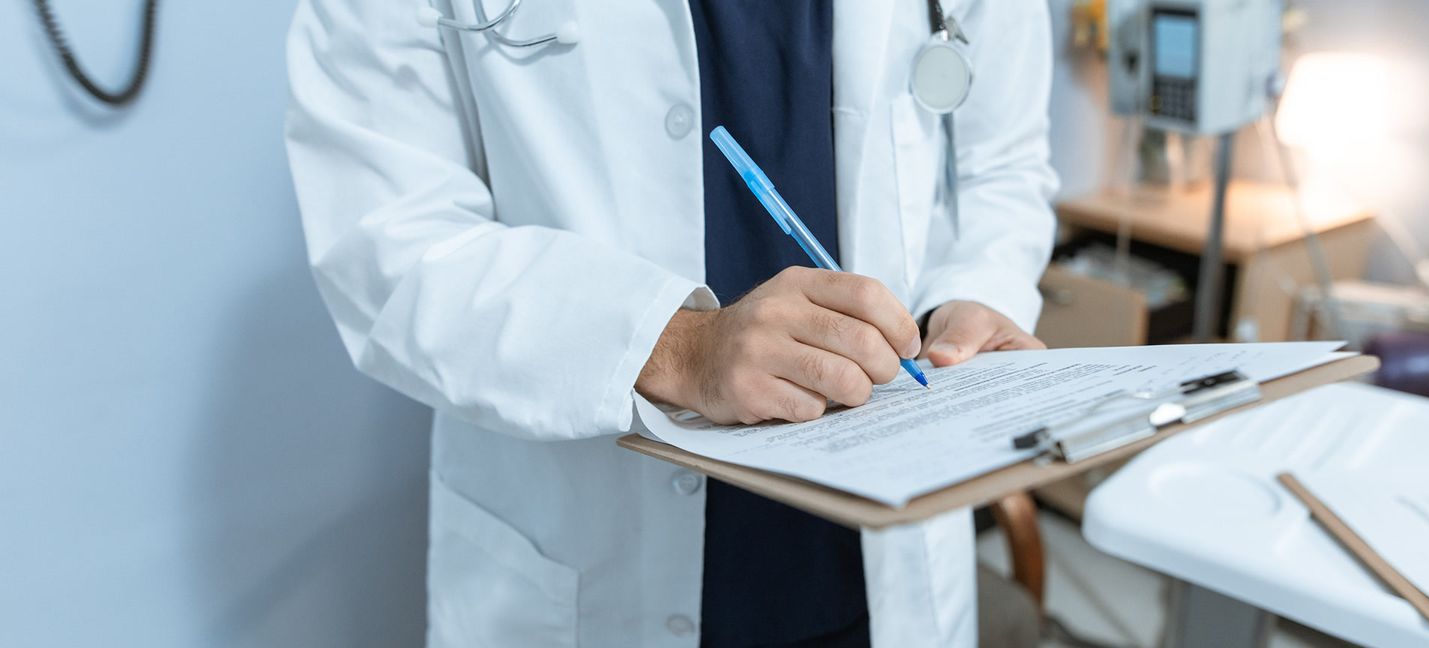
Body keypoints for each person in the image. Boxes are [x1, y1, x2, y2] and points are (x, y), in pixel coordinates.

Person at [284, 0, 1057, 645]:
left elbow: (1004, 165)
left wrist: (976, 293)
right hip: (592, 571)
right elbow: (387, 243)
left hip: (877, 581)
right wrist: (677, 345)